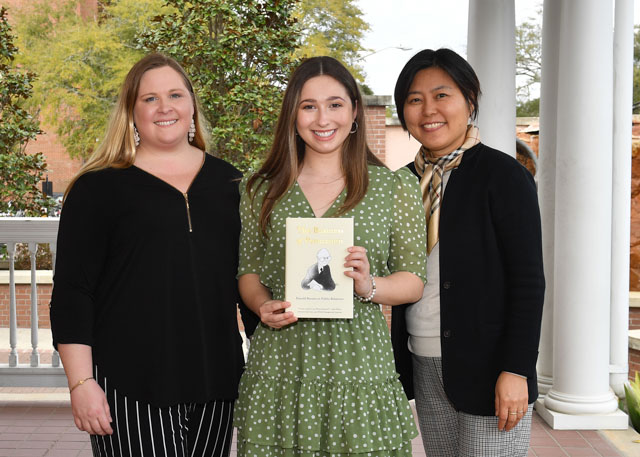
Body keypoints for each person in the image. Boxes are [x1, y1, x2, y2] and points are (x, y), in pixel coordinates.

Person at [50, 53, 250, 457]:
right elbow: (72, 293)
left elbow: (246, 282)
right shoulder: (97, 188)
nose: (165, 108)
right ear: (130, 111)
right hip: (130, 384)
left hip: (217, 382)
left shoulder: (230, 182)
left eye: (175, 95)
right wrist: (81, 383)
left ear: (192, 105)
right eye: (149, 99)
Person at [234, 56, 427, 457]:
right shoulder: (261, 189)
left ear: (354, 111)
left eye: (335, 104)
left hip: (358, 367)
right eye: (309, 106)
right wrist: (260, 304)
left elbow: (413, 280)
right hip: (283, 365)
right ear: (293, 114)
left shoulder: (393, 187)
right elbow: (249, 271)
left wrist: (369, 285)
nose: (323, 118)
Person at [390, 48, 545, 457]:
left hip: (491, 367)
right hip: (422, 361)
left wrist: (516, 369)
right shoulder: (401, 184)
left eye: (442, 95)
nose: (428, 110)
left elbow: (528, 283)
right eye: (414, 99)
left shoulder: (504, 176)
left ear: (469, 101)